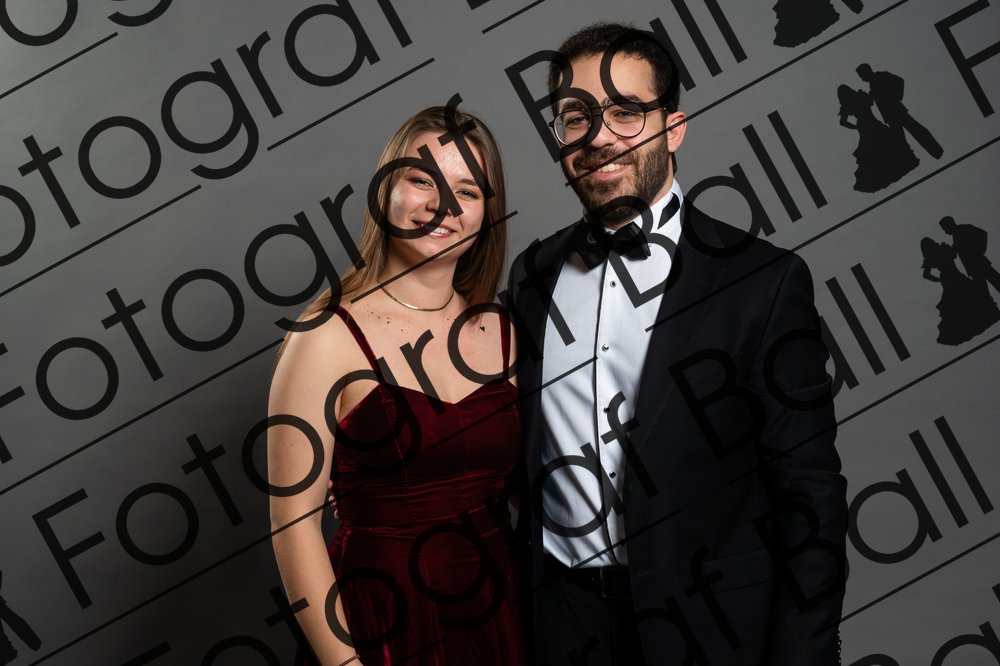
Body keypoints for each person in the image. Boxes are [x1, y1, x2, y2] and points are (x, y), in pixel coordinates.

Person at [505, 23, 849, 665]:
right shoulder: (532, 275)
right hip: (561, 627)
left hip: (712, 631)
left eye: (625, 112)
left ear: (673, 127)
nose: (599, 136)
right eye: (576, 117)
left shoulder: (763, 283)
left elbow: (811, 496)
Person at [268, 107, 527, 665]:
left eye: (467, 190)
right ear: (386, 189)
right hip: (379, 621)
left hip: (500, 616)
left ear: (487, 213)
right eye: (422, 181)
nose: (442, 206)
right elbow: (292, 526)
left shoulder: (502, 330)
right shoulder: (325, 336)